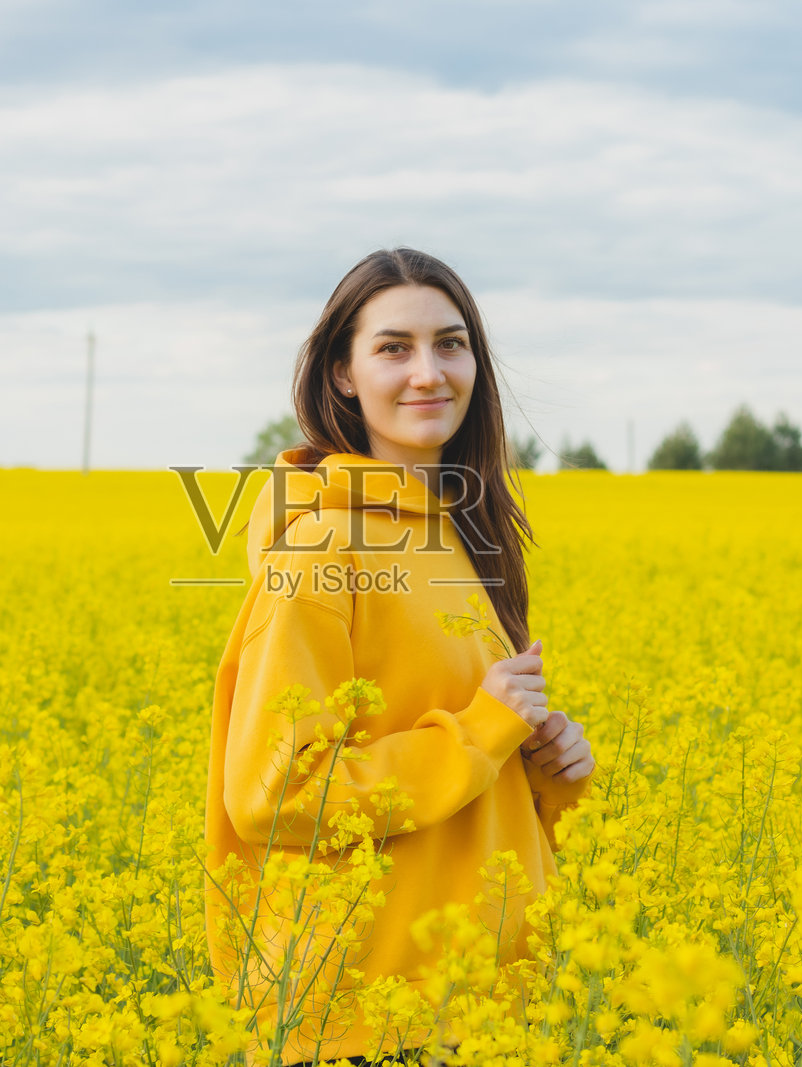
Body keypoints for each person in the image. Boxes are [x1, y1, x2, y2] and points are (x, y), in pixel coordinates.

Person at [203, 248, 596, 1067]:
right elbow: (274, 794)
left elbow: (475, 776)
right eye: (393, 347)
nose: (429, 371)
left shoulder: (457, 534)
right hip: (371, 1017)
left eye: (451, 344)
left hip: (484, 1007)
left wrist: (548, 771)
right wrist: (482, 730)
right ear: (342, 374)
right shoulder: (317, 551)